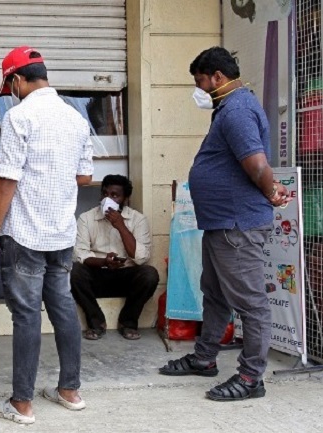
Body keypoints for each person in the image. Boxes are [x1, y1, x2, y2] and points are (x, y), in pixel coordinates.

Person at [158, 47, 292, 401]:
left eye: (201, 81)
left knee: (250, 303)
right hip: (221, 224)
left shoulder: (237, 110)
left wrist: (271, 191)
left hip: (237, 225)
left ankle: (251, 378)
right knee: (215, 295)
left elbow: (256, 163)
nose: (199, 89)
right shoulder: (229, 109)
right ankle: (204, 359)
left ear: (217, 76)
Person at [0, 46, 94, 424]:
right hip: (62, 232)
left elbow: (7, 180)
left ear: (15, 80)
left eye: (8, 84)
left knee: (26, 315)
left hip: (26, 233)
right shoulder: (76, 119)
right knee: (62, 307)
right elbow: (84, 176)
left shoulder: (19, 116)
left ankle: (22, 404)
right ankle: (69, 391)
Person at [71, 174, 159, 341]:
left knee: (149, 274)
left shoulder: (138, 219)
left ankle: (128, 322)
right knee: (73, 272)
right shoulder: (86, 218)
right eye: (105, 194)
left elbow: (141, 258)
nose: (108, 199)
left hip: (125, 276)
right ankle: (96, 322)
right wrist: (103, 262)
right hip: (97, 274)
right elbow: (80, 254)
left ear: (125, 199)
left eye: (114, 195)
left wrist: (120, 225)